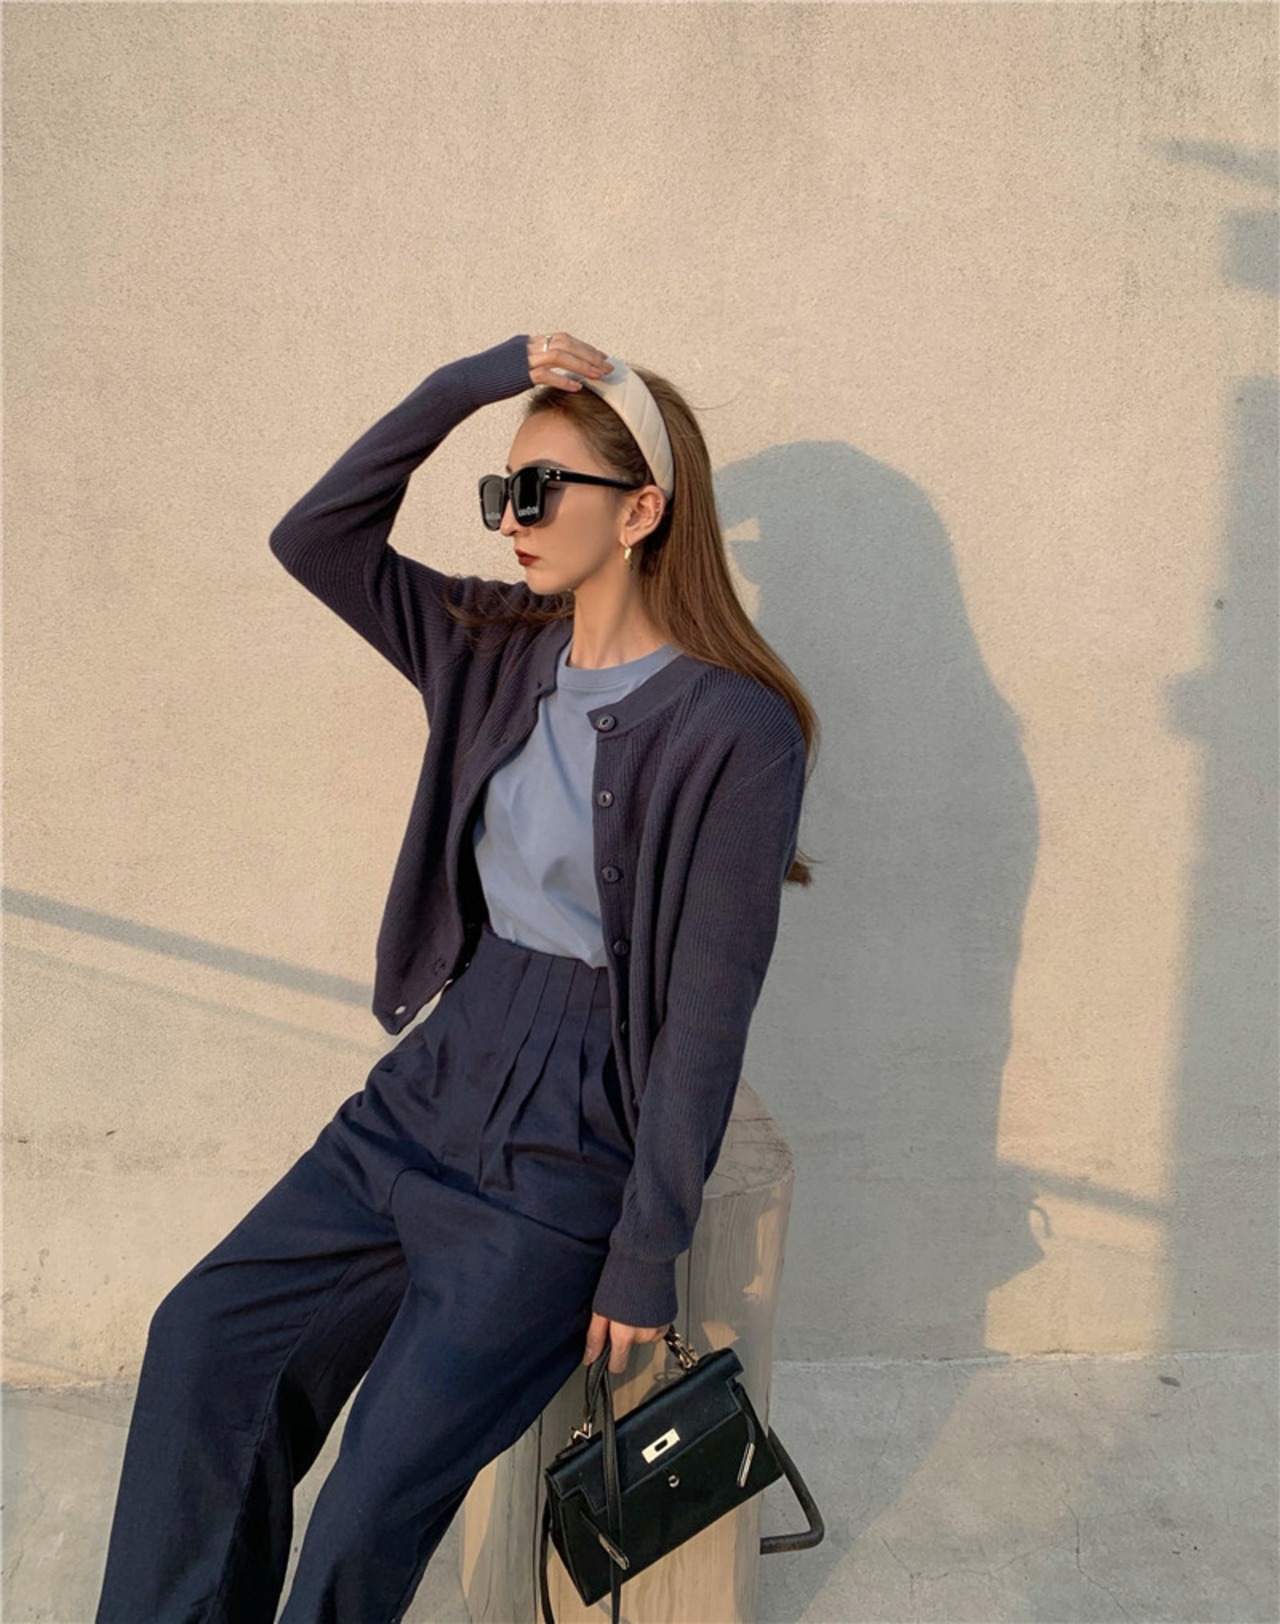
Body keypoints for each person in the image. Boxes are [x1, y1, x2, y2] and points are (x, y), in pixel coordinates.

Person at [95, 330, 818, 1624]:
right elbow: (317, 538)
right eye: (501, 491)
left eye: (539, 490)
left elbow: (708, 1017)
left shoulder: (736, 731)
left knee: (368, 1508)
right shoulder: (491, 642)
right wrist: (466, 384)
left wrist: (645, 1250)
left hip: (567, 1146)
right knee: (205, 1343)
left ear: (642, 510)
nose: (512, 519)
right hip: (429, 1084)